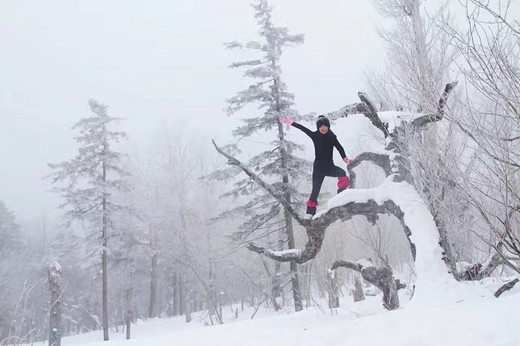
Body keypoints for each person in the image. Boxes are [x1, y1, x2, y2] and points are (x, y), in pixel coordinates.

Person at [280, 115, 353, 218]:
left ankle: (341, 197)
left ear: (328, 127)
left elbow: (340, 148)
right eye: (321, 126)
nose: (323, 128)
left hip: (329, 167)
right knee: (315, 189)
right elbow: (303, 129)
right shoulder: (315, 136)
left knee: (342, 174)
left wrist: (345, 159)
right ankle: (310, 213)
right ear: (318, 128)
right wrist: (291, 122)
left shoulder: (332, 137)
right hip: (319, 168)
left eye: (325, 126)